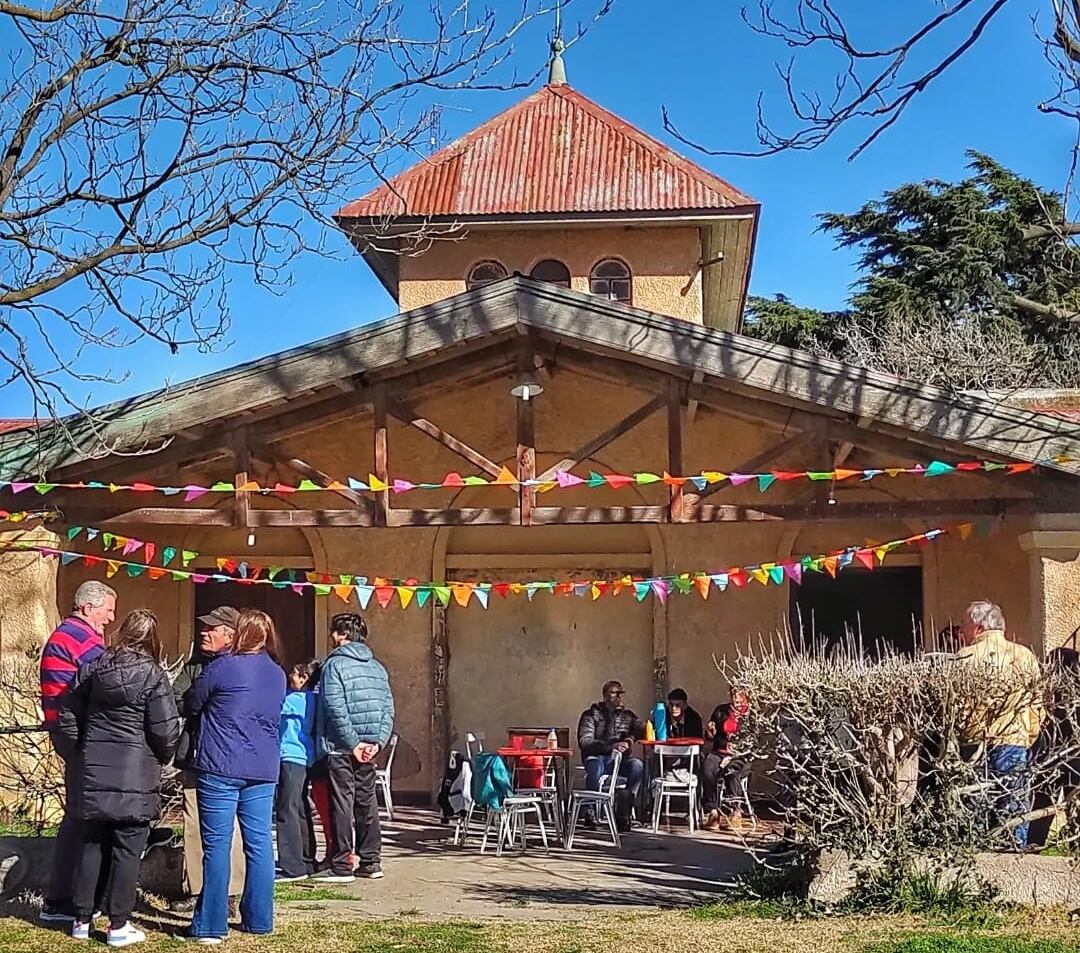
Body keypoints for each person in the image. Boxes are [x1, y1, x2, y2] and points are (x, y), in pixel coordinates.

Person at [58, 609, 180, 947]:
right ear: (152, 638)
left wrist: (77, 751)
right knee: (127, 851)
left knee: (92, 844)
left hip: (94, 769)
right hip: (135, 774)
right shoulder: (153, 676)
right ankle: (118, 925)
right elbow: (165, 730)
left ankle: (81, 919)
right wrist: (162, 757)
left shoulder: (93, 668)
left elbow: (67, 714)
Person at [186, 610, 286, 943]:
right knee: (259, 845)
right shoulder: (278, 673)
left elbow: (192, 703)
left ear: (239, 633)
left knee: (217, 846)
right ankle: (260, 920)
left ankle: (210, 926)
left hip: (220, 766)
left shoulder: (223, 667)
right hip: (262, 768)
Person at [39, 580, 116, 923]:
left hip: (70, 731)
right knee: (81, 818)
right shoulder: (80, 637)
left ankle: (68, 897)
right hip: (79, 734)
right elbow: (110, 676)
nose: (110, 618)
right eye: (108, 610)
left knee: (79, 814)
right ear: (88, 608)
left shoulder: (70, 634)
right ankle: (65, 899)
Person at [169, 607, 246, 916]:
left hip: (231, 757)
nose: (204, 632)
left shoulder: (244, 666)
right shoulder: (195, 666)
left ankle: (231, 892)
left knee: (233, 825)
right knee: (193, 822)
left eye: (212, 628)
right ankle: (198, 889)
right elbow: (175, 698)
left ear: (230, 635)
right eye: (204, 626)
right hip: (196, 755)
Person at [313, 613, 394, 884]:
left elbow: (334, 707)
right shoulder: (378, 668)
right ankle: (371, 860)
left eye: (334, 633)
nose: (332, 638)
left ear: (342, 635)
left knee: (342, 802)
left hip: (340, 747)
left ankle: (341, 862)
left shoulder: (333, 666)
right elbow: (388, 710)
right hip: (369, 746)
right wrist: (376, 743)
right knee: (367, 801)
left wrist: (352, 744)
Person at [956, 600, 1042, 848]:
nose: (960, 631)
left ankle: (976, 859)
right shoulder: (1024, 656)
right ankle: (1015, 857)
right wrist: (1027, 736)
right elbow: (1037, 705)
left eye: (964, 625)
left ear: (978, 627)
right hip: (1014, 741)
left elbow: (955, 707)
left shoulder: (964, 658)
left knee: (976, 808)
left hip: (975, 744)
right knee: (1014, 806)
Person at [576, 680, 645, 832]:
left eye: (621, 693)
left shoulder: (627, 716)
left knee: (637, 766)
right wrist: (610, 747)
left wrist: (629, 740)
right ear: (606, 696)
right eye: (616, 693)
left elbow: (641, 730)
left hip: (619, 760)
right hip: (597, 757)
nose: (620, 697)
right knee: (595, 767)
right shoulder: (591, 715)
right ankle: (591, 811)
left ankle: (624, 809)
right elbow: (585, 741)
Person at [275, 661, 319, 882]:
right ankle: (307, 858)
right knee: (300, 809)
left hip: (290, 756)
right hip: (305, 758)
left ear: (303, 678)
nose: (289, 677)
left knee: (287, 809)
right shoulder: (315, 700)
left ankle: (292, 865)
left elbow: (271, 709)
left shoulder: (294, 700)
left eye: (292, 673)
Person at [701, 687, 752, 832]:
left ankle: (735, 811)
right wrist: (710, 732)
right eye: (734, 694)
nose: (736, 698)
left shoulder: (751, 715)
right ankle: (713, 812)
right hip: (719, 753)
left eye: (740, 695)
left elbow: (752, 743)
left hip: (741, 755)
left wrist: (732, 756)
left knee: (732, 771)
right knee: (708, 767)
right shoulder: (721, 711)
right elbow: (710, 737)